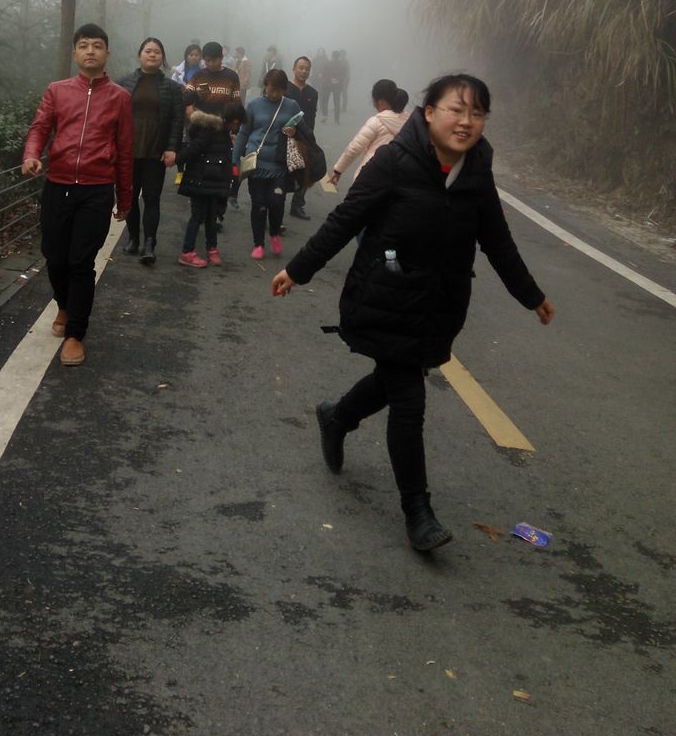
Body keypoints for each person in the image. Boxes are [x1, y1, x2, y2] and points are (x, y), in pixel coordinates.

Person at [272, 73, 555, 552]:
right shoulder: (394, 161)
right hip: (386, 293)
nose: (466, 121)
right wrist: (300, 269)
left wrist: (530, 295)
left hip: (440, 302)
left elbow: (496, 239)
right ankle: (417, 511)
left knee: (394, 379)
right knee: (408, 399)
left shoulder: (478, 168)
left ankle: (337, 416)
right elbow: (347, 219)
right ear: (428, 113)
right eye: (455, 109)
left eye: (477, 113)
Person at [22, 24, 134, 366]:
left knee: (81, 262)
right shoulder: (57, 91)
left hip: (96, 191)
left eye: (97, 46)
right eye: (83, 45)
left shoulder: (120, 98)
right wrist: (31, 154)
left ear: (107, 54)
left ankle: (75, 334)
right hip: (57, 184)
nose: (90, 51)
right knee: (54, 257)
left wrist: (125, 198)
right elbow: (41, 126)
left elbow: (125, 151)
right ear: (75, 53)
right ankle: (64, 305)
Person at [116, 37, 185, 265]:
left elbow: (177, 121)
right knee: (130, 197)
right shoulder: (124, 83)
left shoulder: (173, 88)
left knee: (152, 197)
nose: (152, 55)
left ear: (162, 57)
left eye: (157, 52)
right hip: (128, 151)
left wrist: (172, 148)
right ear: (140, 55)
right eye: (148, 51)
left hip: (156, 150)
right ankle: (134, 238)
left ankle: (149, 244)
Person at [232, 69, 302, 260]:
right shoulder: (254, 105)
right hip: (256, 162)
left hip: (279, 164)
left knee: (277, 202)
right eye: (271, 89)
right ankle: (258, 244)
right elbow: (244, 133)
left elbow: (302, 132)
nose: (274, 94)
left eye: (279, 91)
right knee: (259, 204)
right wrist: (235, 159)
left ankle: (274, 234)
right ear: (265, 86)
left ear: (284, 90)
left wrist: (293, 132)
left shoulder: (292, 106)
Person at [176, 101, 245, 267]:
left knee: (211, 217)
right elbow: (195, 148)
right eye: (238, 122)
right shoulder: (213, 130)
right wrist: (176, 159)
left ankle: (212, 248)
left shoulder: (224, 132)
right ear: (234, 120)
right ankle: (187, 252)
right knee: (197, 216)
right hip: (201, 181)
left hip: (212, 182)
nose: (238, 126)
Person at [328, 80, 409, 189]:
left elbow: (354, 148)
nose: (374, 105)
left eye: (374, 100)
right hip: (398, 181)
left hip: (370, 177)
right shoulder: (409, 123)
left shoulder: (376, 122)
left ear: (380, 101)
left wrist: (338, 170)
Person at [286, 55, 319, 220]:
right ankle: (274, 203)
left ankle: (297, 205)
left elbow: (311, 117)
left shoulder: (313, 93)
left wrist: (310, 138)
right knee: (282, 172)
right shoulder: (284, 88)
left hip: (303, 137)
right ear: (293, 69)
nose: (304, 71)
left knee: (307, 170)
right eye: (301, 67)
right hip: (283, 135)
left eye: (307, 68)